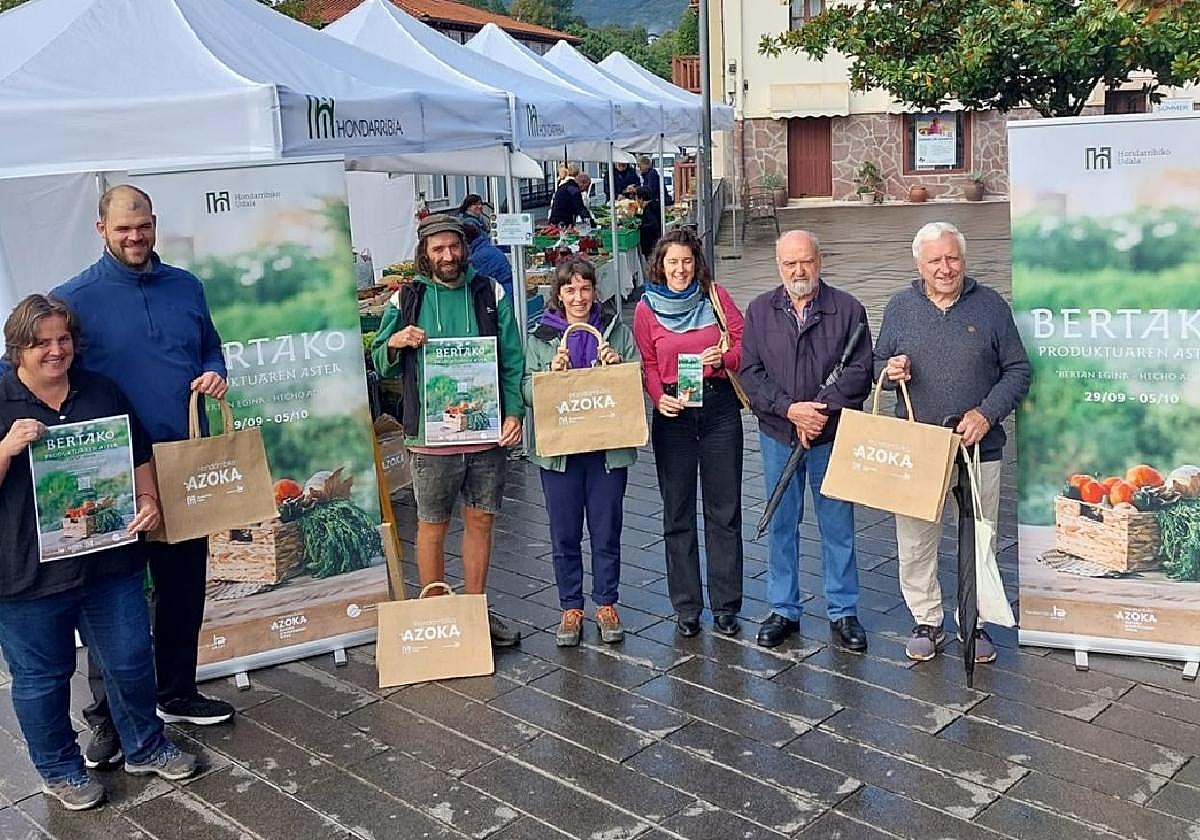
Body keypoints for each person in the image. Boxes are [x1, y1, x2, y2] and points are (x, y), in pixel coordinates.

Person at [50, 185, 232, 773]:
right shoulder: (72, 300)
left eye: (143, 226)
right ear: (101, 229)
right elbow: (35, 367)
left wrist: (213, 373)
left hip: (183, 463)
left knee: (184, 587)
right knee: (113, 599)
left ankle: (176, 690)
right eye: (123, 228)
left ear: (155, 223)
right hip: (111, 475)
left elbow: (210, 347)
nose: (135, 237)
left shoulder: (186, 286)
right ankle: (108, 719)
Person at [0, 295, 198, 811]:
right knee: (43, 679)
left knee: (131, 660)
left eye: (62, 339)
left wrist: (149, 499)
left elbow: (136, 455)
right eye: (41, 342)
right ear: (16, 348)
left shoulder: (100, 390)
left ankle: (146, 746)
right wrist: (5, 449)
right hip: (25, 575)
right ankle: (61, 771)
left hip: (107, 562)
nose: (55, 350)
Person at [876, 221, 1030, 663]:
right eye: (935, 260)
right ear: (918, 265)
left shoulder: (991, 306)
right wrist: (889, 370)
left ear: (963, 259)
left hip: (979, 444)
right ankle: (926, 618)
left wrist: (986, 414)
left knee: (979, 537)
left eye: (952, 258)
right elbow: (877, 363)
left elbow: (1018, 371)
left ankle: (975, 621)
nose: (945, 268)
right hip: (918, 446)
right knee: (916, 537)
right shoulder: (900, 306)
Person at [370, 214, 525, 646]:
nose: (448, 256)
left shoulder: (488, 292)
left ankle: (475, 612)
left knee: (481, 520)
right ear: (424, 252)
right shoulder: (408, 299)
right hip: (430, 436)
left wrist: (514, 413)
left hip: (485, 431)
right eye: (438, 249)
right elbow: (380, 358)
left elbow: (513, 359)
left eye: (453, 247)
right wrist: (397, 341)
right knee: (432, 523)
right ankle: (436, 614)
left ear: (464, 247)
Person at [739, 231, 874, 650]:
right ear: (778, 266)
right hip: (779, 434)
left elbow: (859, 372)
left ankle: (843, 610)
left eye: (806, 261)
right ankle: (783, 608)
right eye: (789, 263)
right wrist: (790, 410)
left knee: (837, 526)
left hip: (831, 435)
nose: (798, 271)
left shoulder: (848, 309)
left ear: (820, 260)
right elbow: (751, 373)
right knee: (782, 524)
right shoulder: (760, 310)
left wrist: (819, 413)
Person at [522, 257, 640, 646]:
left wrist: (619, 364)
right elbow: (524, 390)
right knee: (564, 532)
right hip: (560, 453)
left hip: (606, 450)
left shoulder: (616, 331)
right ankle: (570, 607)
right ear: (558, 294)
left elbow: (636, 383)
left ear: (595, 291)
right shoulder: (540, 337)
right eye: (570, 290)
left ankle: (606, 602)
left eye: (585, 289)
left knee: (607, 529)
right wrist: (547, 376)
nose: (578, 297)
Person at [633, 228, 744, 637]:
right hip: (674, 414)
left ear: (697, 264)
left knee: (724, 511)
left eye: (687, 261)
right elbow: (647, 362)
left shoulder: (716, 297)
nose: (680, 269)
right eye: (672, 262)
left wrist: (724, 355)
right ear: (660, 266)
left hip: (717, 408)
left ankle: (727, 606)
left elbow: (743, 345)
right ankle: (687, 607)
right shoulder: (646, 309)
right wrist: (658, 397)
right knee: (677, 512)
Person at [464, 224, 514, 302]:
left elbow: (475, 279)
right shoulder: (486, 246)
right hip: (508, 286)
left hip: (502, 290)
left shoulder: (477, 257)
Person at [636, 186, 662, 261]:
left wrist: (640, 227)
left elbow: (653, 224)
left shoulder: (648, 209)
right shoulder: (655, 205)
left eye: (637, 198)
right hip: (656, 241)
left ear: (641, 198)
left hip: (651, 243)